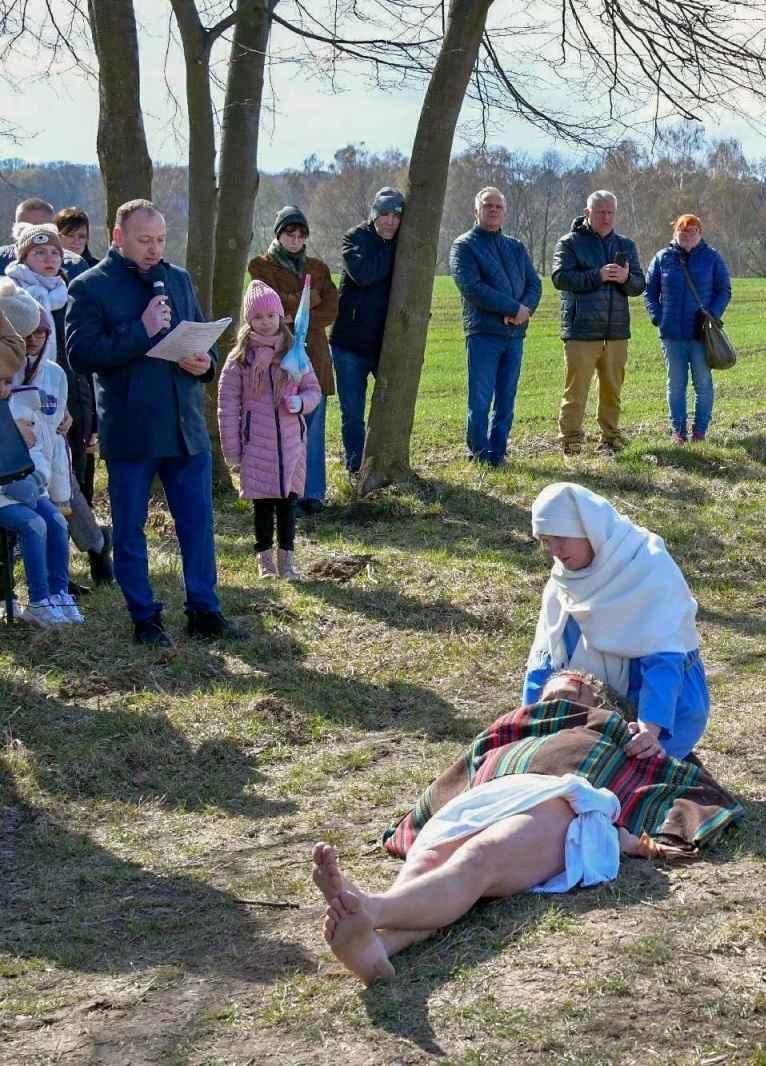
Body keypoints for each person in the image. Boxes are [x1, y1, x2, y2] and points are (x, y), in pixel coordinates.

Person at [311, 671, 720, 986]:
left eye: (572, 691)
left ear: (599, 702)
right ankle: (377, 948)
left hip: (554, 799)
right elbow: (461, 772)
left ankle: (373, 907)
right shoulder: (507, 730)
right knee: (430, 862)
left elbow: (677, 779)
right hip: (482, 798)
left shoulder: (615, 733)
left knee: (478, 859)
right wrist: (422, 818)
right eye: (548, 694)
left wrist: (652, 831)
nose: (555, 698)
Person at [64, 199, 240, 647]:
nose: (154, 249)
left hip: (185, 427)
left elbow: (202, 337)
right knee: (130, 530)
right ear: (118, 237)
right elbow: (81, 354)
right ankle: (145, 616)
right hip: (132, 429)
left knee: (198, 525)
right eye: (145, 240)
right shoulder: (89, 286)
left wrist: (206, 362)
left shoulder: (177, 279)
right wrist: (140, 330)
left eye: (160, 239)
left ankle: (204, 610)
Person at [523, 481, 709, 760]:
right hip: (595, 704)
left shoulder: (648, 566)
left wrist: (648, 731)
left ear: (589, 529)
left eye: (561, 538)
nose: (555, 551)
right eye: (547, 542)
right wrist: (529, 722)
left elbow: (663, 662)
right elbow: (546, 658)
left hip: (666, 707)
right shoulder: (564, 579)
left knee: (633, 776)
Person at [219, 281, 323, 582]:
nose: (266, 323)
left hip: (290, 444)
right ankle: (264, 560)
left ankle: (287, 561)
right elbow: (228, 408)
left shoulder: (295, 356)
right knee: (262, 505)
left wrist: (299, 402)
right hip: (256, 446)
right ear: (249, 322)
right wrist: (233, 452)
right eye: (259, 318)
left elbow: (313, 391)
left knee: (288, 504)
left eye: (271, 316)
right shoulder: (239, 360)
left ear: (281, 318)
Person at [8, 296, 112, 589]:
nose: (32, 340)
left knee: (67, 503)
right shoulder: (6, 367)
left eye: (39, 333)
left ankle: (97, 546)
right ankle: (52, 579)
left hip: (50, 453)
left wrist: (65, 418)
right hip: (14, 456)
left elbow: (59, 407)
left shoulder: (54, 372)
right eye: (26, 334)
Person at [248, 206, 338, 514]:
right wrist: (307, 299)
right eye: (290, 233)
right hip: (279, 357)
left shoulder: (319, 267)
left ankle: (313, 492)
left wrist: (296, 309)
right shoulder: (261, 265)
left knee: (313, 429)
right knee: (285, 428)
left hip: (315, 355)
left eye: (301, 235)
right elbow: (267, 302)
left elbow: (330, 309)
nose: (295, 239)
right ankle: (289, 494)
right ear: (278, 234)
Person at [449, 187, 541, 466]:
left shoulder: (515, 246)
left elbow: (534, 283)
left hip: (514, 336)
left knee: (506, 398)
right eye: (487, 205)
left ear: (505, 212)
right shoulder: (464, 246)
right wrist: (513, 308)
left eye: (498, 206)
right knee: (480, 398)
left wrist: (524, 311)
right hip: (483, 334)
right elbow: (472, 287)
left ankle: (498, 453)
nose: (493, 210)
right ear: (475, 211)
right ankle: (478, 453)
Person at [0, 288, 74, 625]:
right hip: (4, 494)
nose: (5, 388)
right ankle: (38, 600)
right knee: (33, 526)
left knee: (56, 521)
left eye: (6, 382)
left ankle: (58, 594)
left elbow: (48, 439)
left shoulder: (47, 378)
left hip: (27, 484)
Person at [551, 191, 645, 455]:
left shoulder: (626, 245)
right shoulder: (569, 243)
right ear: (587, 213)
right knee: (575, 392)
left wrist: (626, 278)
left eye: (610, 213)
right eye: (601, 212)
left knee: (612, 391)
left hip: (615, 334)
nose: (606, 217)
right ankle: (571, 442)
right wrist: (598, 275)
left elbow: (639, 285)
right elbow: (560, 278)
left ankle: (611, 440)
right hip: (581, 332)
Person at [328, 187, 402, 475]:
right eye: (384, 214)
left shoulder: (404, 242)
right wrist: (396, 251)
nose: (390, 222)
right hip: (349, 344)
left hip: (386, 344)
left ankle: (384, 465)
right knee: (353, 413)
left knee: (388, 410)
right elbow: (364, 274)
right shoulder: (354, 238)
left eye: (397, 216)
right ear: (374, 214)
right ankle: (356, 468)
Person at [644, 214, 732, 444]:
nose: (688, 235)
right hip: (671, 335)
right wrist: (658, 318)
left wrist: (711, 315)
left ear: (700, 233)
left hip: (701, 335)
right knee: (675, 385)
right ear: (675, 233)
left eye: (692, 230)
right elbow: (650, 292)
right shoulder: (662, 258)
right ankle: (679, 432)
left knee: (703, 384)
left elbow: (724, 290)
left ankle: (700, 432)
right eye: (683, 231)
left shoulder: (712, 258)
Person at [50, 207, 104, 536]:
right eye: (69, 235)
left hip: (84, 384)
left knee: (83, 459)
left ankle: (88, 530)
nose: (75, 243)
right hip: (57, 383)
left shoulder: (94, 274)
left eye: (81, 237)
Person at [5, 224, 70, 364]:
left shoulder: (68, 294)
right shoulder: (8, 292)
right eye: (40, 252)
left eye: (55, 253)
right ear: (23, 257)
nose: (49, 259)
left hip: (60, 376)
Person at [0, 199, 89, 280]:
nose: (33, 234)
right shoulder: (1, 259)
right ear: (16, 228)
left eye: (41, 228)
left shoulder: (74, 266)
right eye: (26, 228)